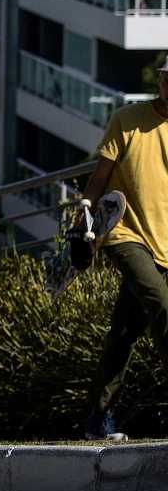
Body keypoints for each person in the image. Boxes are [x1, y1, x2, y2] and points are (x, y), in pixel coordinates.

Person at [83, 88, 168, 440]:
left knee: (124, 332)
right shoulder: (128, 120)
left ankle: (97, 416)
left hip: (164, 242)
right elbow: (100, 177)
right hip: (124, 232)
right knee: (162, 304)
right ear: (161, 81)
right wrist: (85, 214)